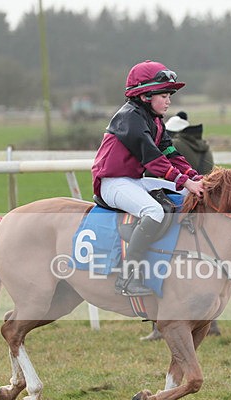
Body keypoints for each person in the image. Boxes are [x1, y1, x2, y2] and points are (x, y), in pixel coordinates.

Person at [92, 60, 204, 296]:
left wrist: (194, 177)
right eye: (163, 94)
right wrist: (184, 180)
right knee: (154, 211)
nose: (169, 100)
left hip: (133, 181)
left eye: (169, 94)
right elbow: (152, 158)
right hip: (112, 183)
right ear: (145, 96)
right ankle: (127, 277)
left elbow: (171, 153)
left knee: (186, 193)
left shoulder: (155, 121)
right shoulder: (129, 118)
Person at [141, 111, 221, 341]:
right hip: (203, 206)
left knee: (161, 257)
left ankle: (158, 323)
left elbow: (160, 168)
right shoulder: (204, 146)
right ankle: (210, 320)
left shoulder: (175, 143)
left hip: (178, 204)